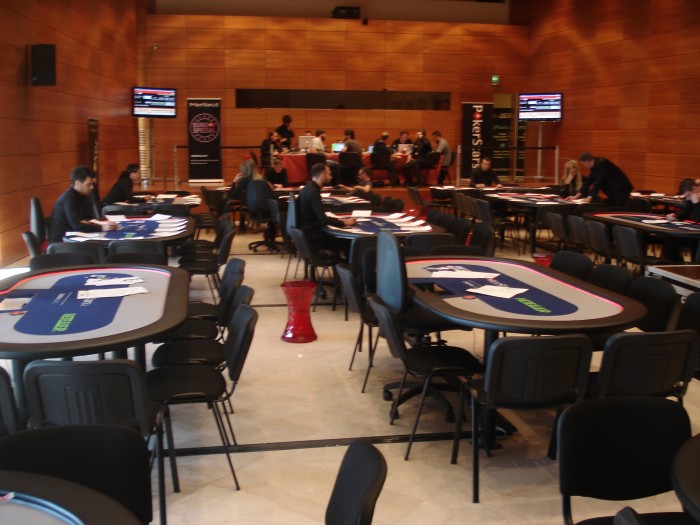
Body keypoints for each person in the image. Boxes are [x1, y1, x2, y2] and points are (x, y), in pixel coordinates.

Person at [49, 166, 117, 243]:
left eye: (92, 184)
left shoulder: (82, 195)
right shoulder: (69, 197)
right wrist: (102, 227)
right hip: (62, 242)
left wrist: (93, 224)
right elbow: (76, 225)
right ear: (77, 183)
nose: (92, 187)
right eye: (88, 184)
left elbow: (87, 218)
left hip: (75, 236)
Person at [298, 163, 355, 254]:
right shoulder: (313, 192)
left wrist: (338, 220)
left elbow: (319, 216)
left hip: (307, 232)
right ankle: (342, 263)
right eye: (329, 174)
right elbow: (323, 219)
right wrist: (343, 223)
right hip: (313, 235)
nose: (331, 177)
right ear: (322, 176)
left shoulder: (306, 189)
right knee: (350, 241)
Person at [663, 181, 700, 261]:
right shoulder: (692, 196)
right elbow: (686, 212)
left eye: (687, 196)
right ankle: (672, 264)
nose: (687, 199)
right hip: (694, 231)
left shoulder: (695, 198)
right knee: (671, 237)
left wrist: (697, 204)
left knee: (695, 243)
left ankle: (694, 265)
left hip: (697, 235)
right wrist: (675, 215)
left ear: (694, 188)